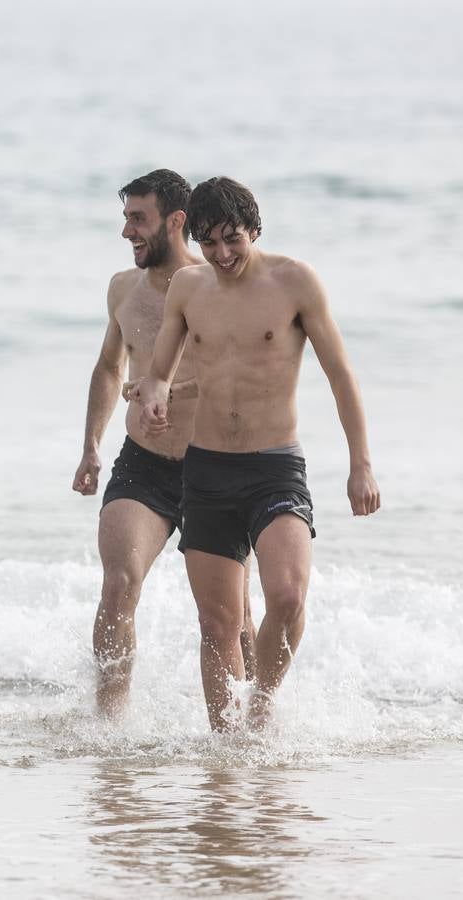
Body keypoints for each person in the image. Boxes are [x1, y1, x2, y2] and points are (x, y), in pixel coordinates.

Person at [138, 176, 381, 730]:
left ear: (254, 230)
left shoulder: (294, 281)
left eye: (233, 240)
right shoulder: (187, 288)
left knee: (289, 597)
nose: (222, 254)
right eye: (210, 242)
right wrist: (154, 395)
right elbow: (159, 374)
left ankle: (262, 707)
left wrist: (360, 464)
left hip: (275, 468)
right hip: (207, 471)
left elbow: (342, 375)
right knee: (217, 624)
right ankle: (227, 757)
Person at [73, 169, 255, 718]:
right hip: (143, 465)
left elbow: (243, 373)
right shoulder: (122, 289)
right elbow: (109, 368)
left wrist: (168, 392)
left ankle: (250, 724)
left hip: (214, 464)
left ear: (176, 221)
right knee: (119, 582)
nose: (127, 231)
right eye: (126, 217)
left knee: (236, 617)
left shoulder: (217, 284)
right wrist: (91, 446)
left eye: (138, 219)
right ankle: (109, 727)